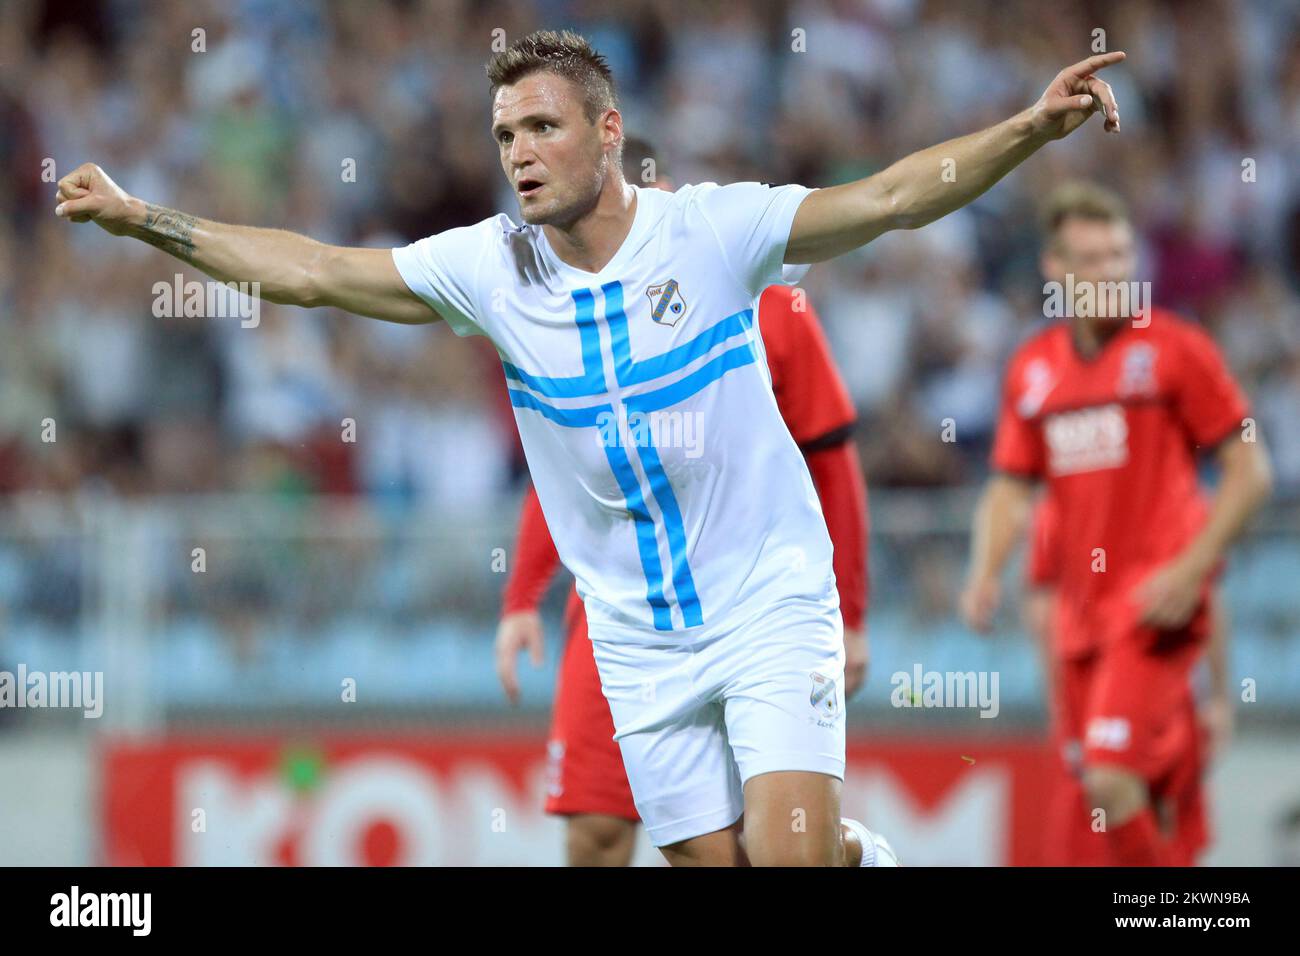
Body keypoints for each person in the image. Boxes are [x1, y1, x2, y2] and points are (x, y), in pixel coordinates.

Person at [55, 28, 1127, 866]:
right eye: (505, 136)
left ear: (608, 132)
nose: (519, 154)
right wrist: (147, 217)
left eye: (540, 128)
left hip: (766, 595)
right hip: (634, 637)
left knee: (787, 854)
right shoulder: (487, 268)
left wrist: (1030, 129)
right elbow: (314, 271)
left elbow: (890, 197)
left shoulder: (711, 232)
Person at [495, 137, 871, 866]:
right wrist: (520, 597)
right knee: (595, 830)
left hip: (750, 600)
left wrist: (850, 614)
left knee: (770, 845)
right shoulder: (561, 312)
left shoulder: (760, 294)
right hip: (618, 618)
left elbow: (831, 461)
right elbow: (562, 473)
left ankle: (852, 852)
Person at [960, 182, 1272, 866]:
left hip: (1152, 609)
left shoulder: (1177, 350)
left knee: (1108, 780)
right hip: (1080, 623)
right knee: (1108, 802)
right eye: (1092, 259)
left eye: (1121, 255)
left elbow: (1251, 470)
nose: (1112, 273)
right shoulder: (1033, 369)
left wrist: (1190, 571)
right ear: (1054, 268)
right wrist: (984, 571)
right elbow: (1010, 489)